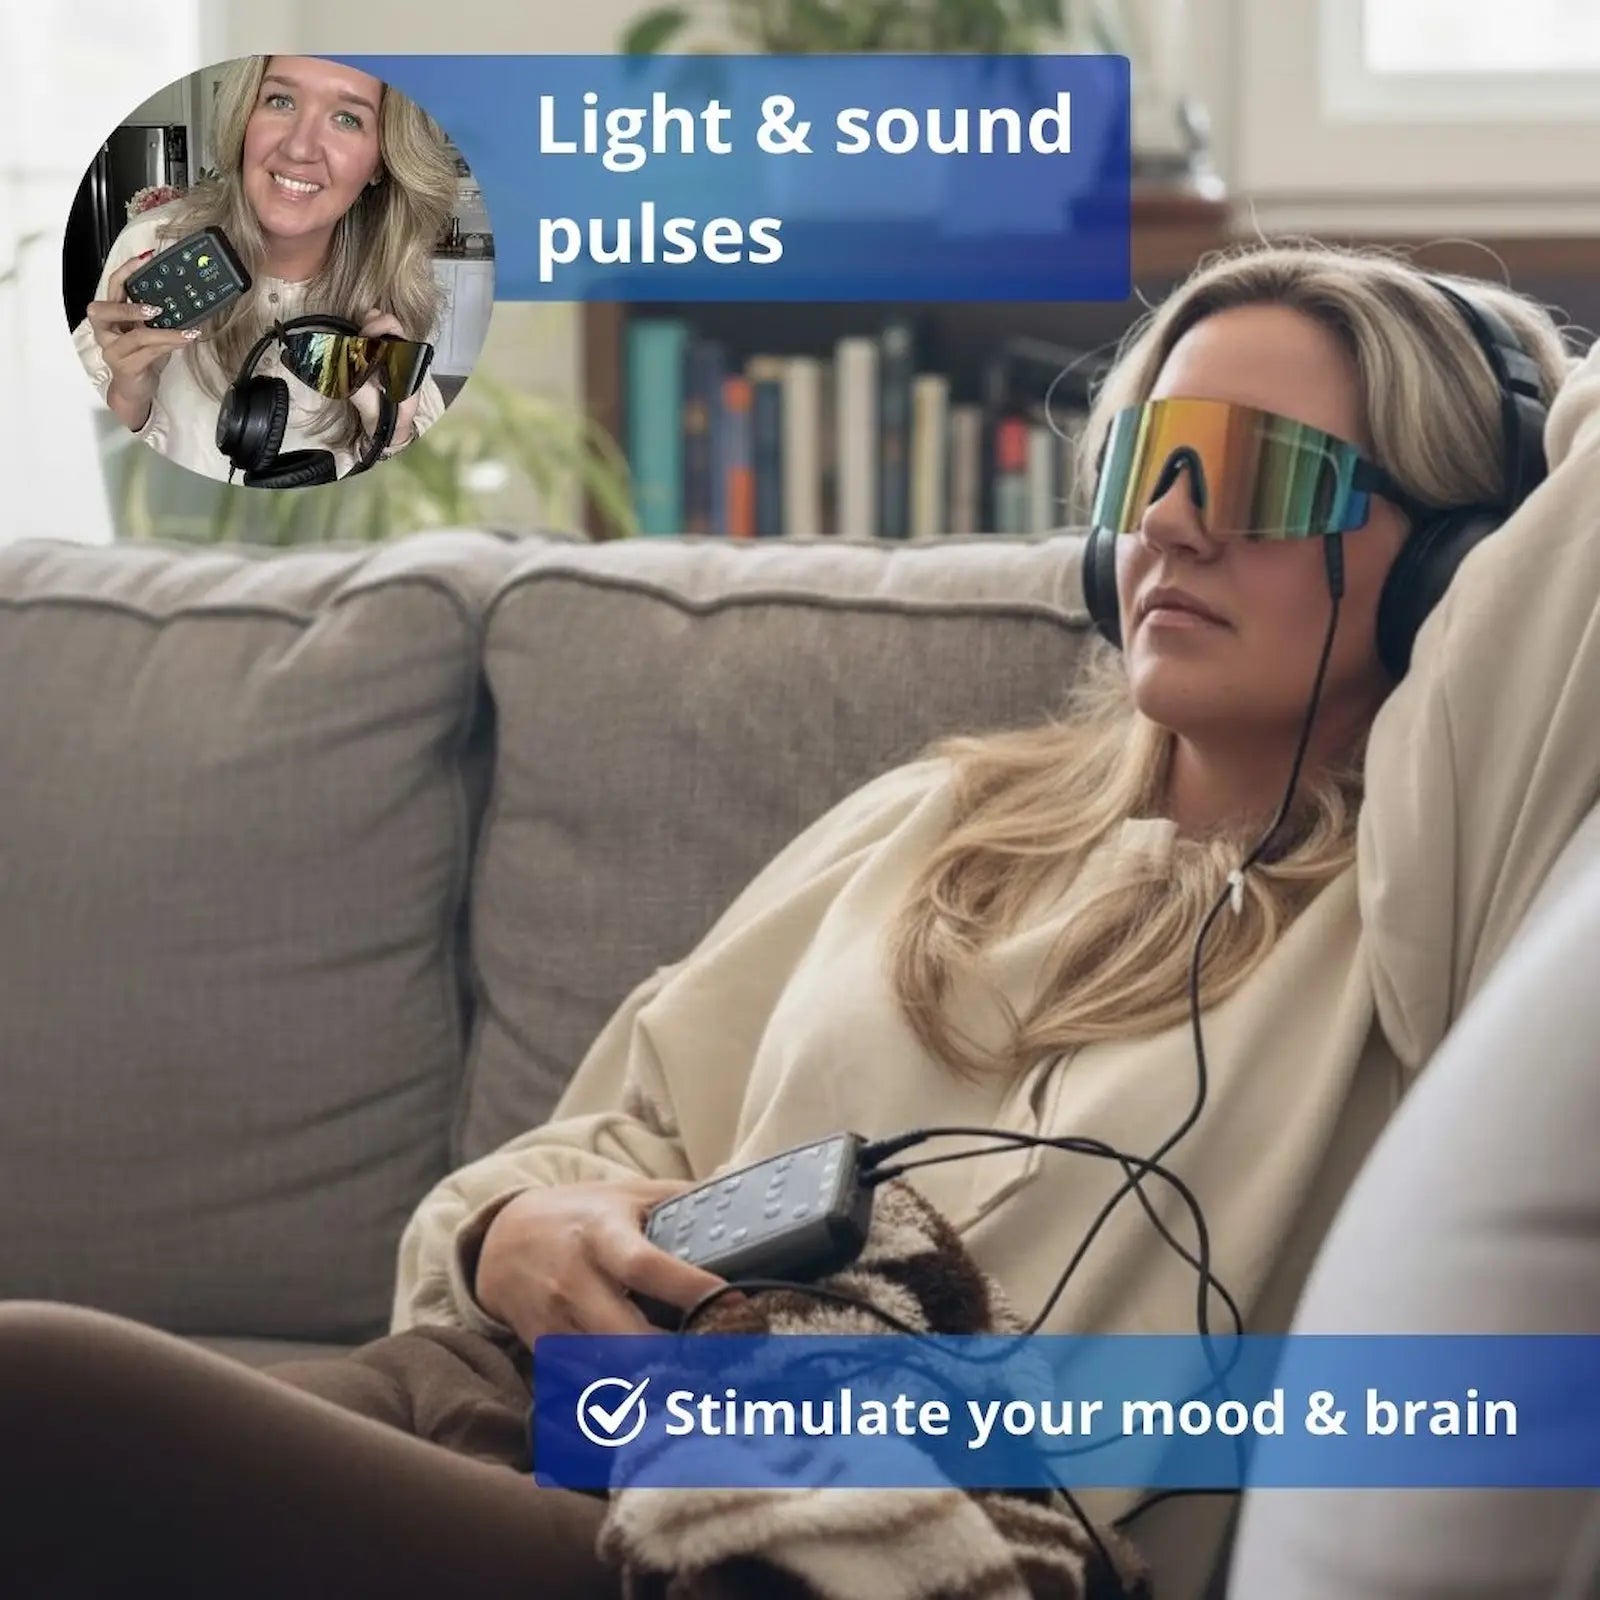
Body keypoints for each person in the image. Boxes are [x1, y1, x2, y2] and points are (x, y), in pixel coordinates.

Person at [4, 244, 1597, 1600]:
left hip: (814, 1532)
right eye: (1144, 465)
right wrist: (521, 1236)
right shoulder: (938, 823)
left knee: (44, 1402)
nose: (1172, 523)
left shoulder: (1434, 893)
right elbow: (605, 1136)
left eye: (1257, 475)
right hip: (520, 1408)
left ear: (1450, 559)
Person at [70, 54, 457, 483]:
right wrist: (127, 395)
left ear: (381, 162)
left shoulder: (392, 287)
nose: (298, 147)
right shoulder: (153, 244)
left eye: (347, 118)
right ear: (246, 119)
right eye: (280, 100)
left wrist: (389, 433)